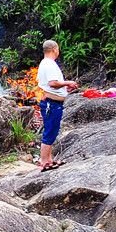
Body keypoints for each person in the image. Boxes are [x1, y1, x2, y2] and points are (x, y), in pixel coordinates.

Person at [37, 40, 77, 171]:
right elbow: (52, 83)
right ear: (55, 49)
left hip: (55, 102)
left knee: (53, 131)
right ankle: (44, 162)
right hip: (51, 103)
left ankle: (49, 159)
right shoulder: (48, 64)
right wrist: (68, 82)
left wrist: (65, 89)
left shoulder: (47, 63)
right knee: (49, 131)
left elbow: (54, 85)